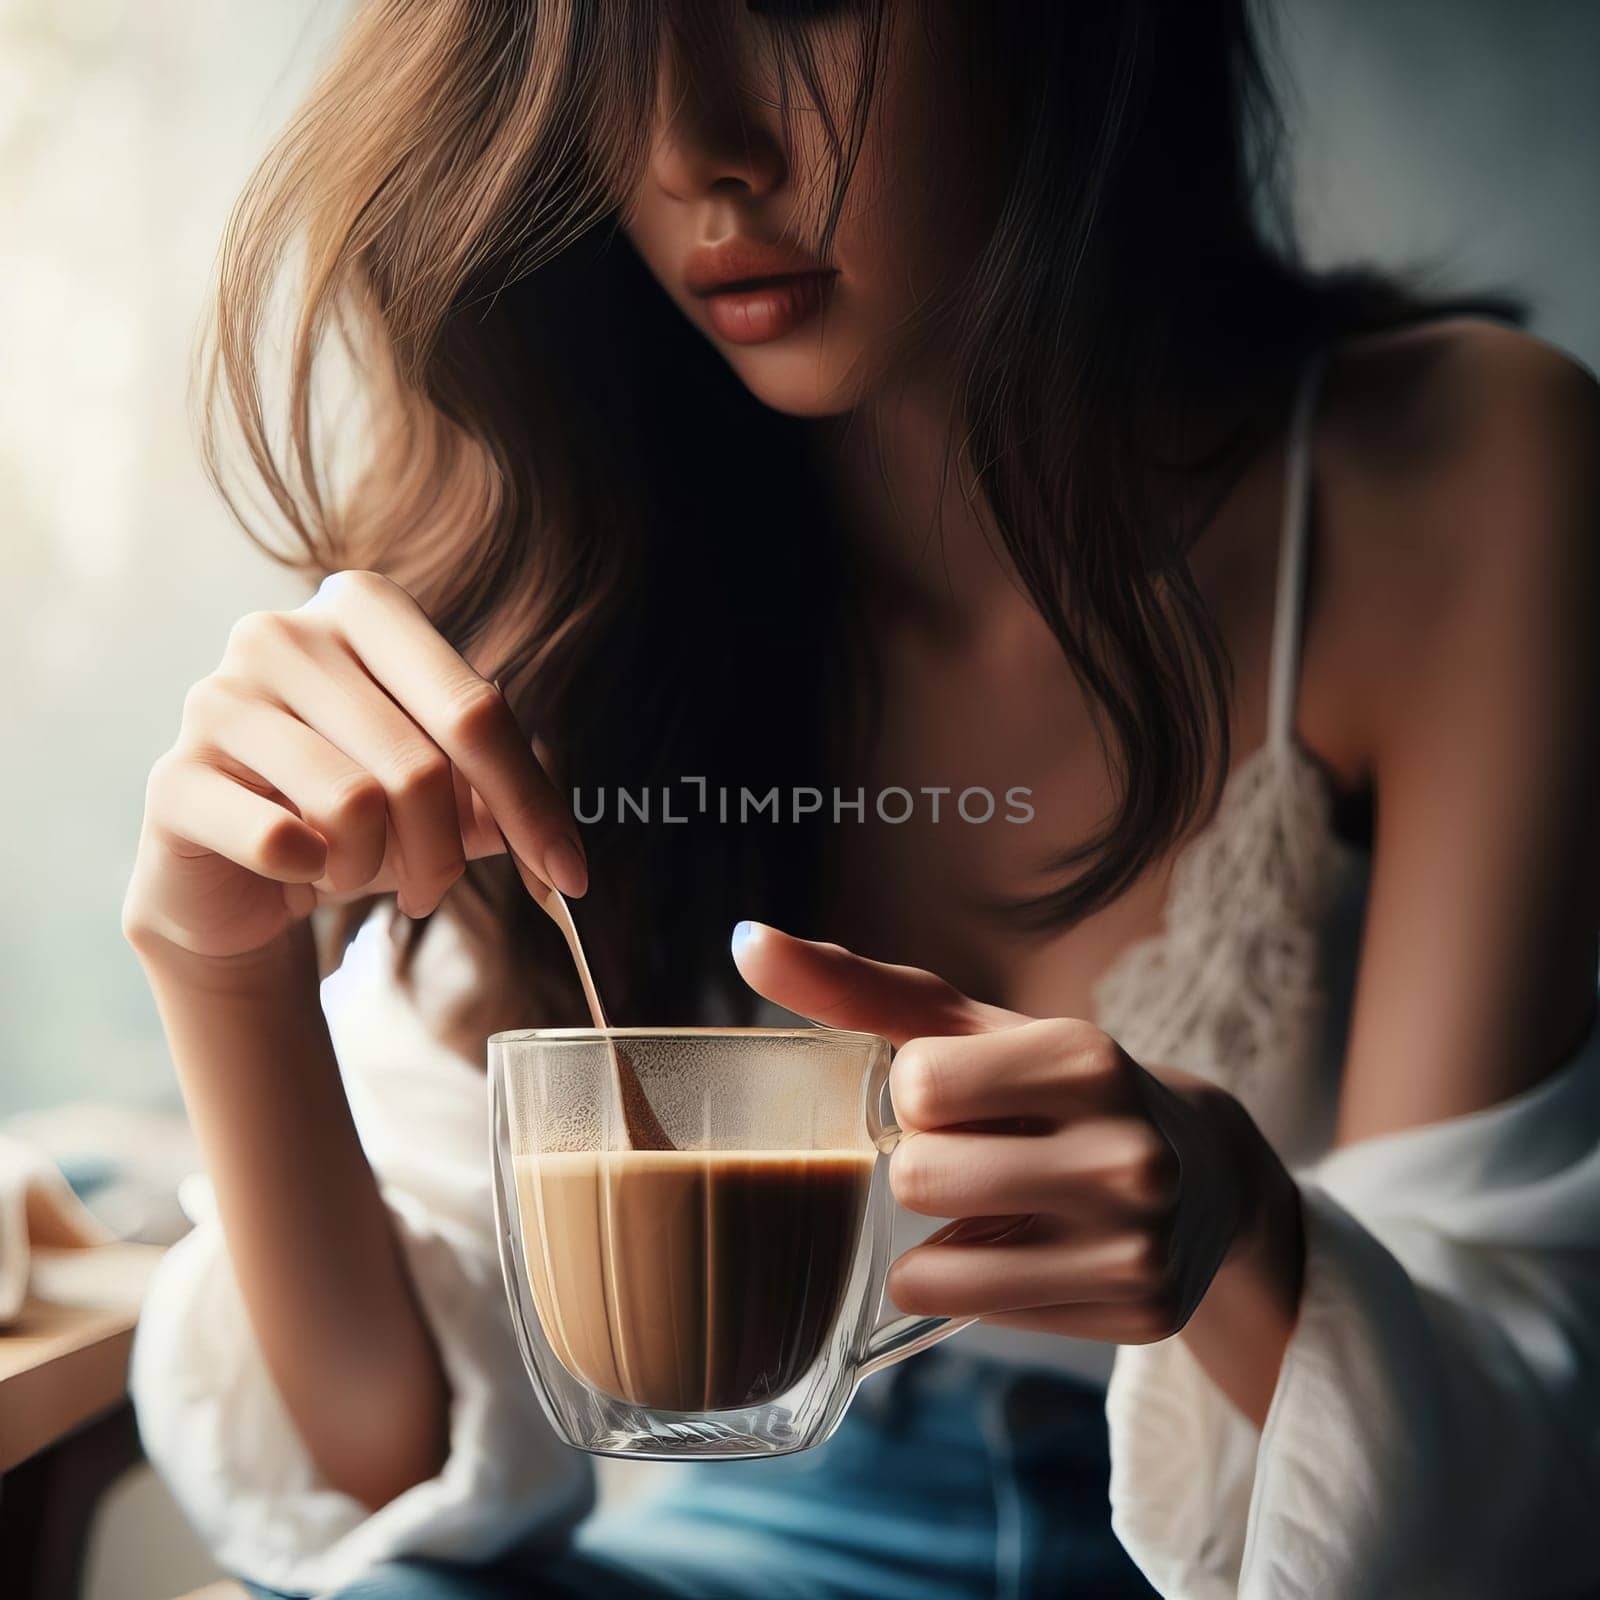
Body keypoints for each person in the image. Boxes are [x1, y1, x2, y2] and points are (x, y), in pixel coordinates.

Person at [121, 2, 1600, 1596]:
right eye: (613, 37)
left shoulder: (1458, 474)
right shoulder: (565, 565)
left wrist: (1237, 1232)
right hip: (746, 1539)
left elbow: (1502, 1496)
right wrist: (224, 975)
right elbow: (400, 1481)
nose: (699, 153)